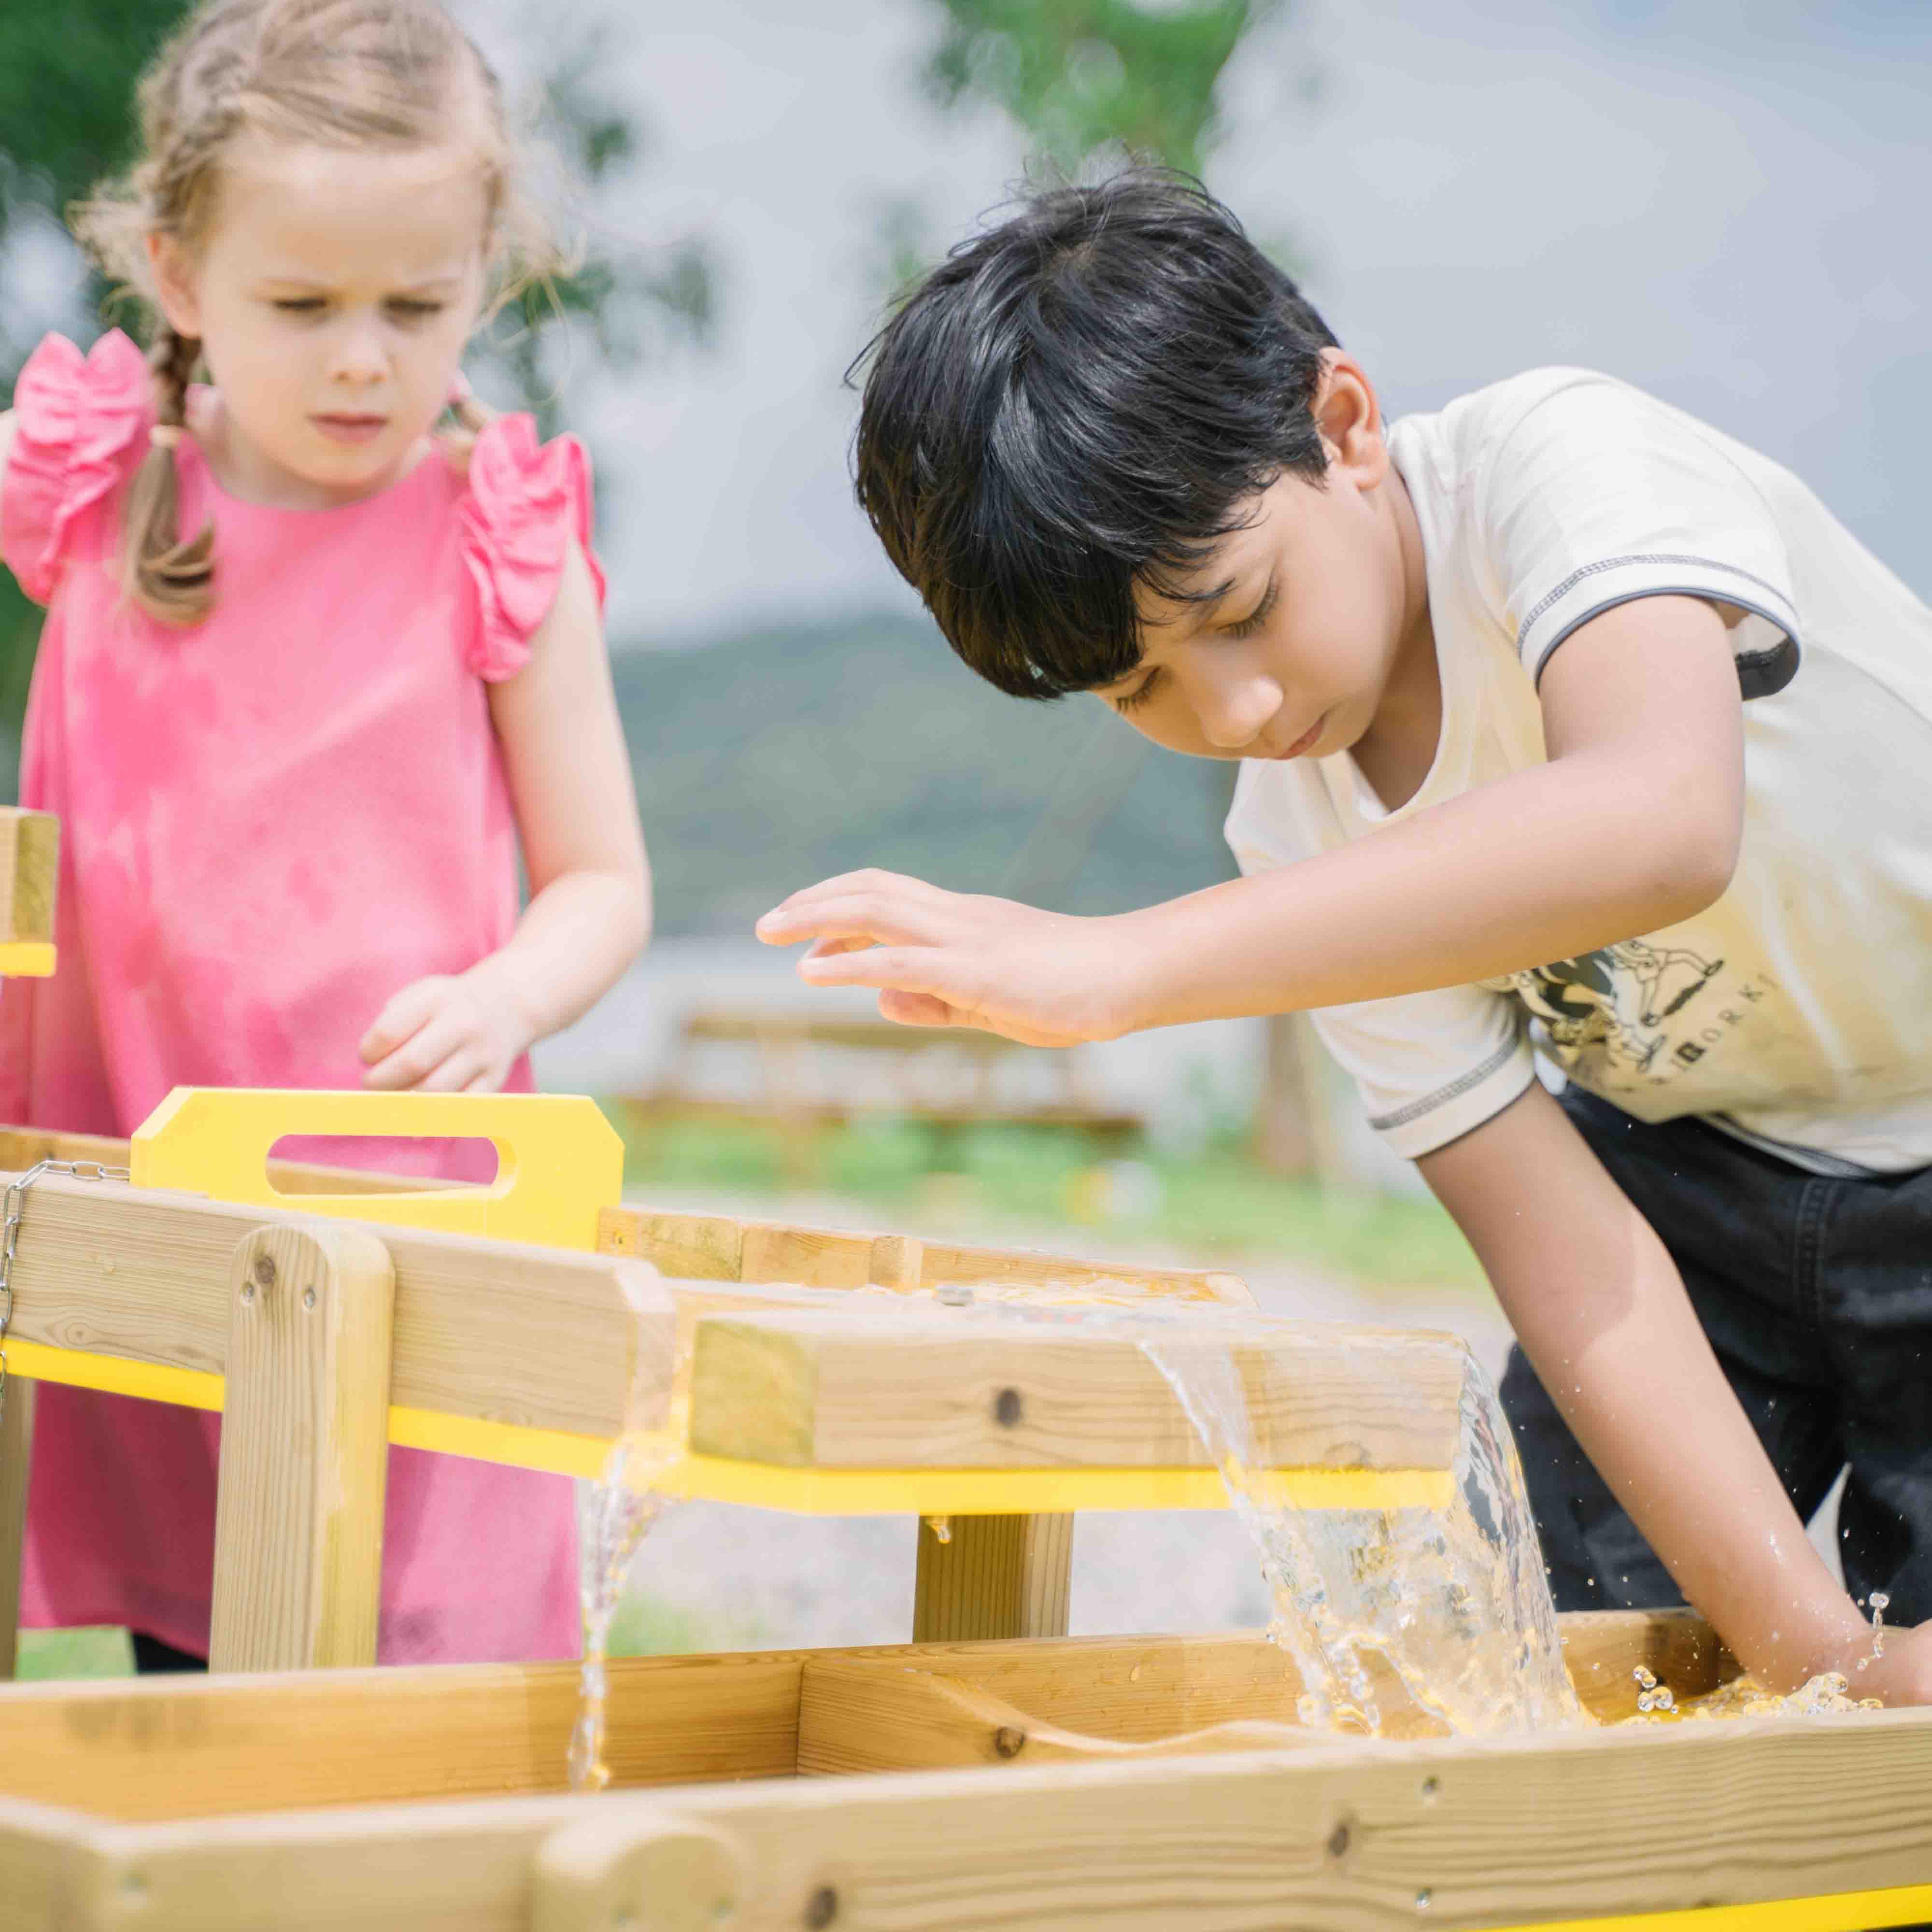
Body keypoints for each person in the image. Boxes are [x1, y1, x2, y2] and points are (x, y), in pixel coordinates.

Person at [758, 170, 1932, 1705]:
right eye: (1142, 692)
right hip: (1692, 1183)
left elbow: (1659, 817)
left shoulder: (1565, 471)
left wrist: (1122, 967)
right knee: (1514, 1672)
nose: (1235, 710)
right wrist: (1817, 1661)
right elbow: (1572, 1269)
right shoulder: (1292, 833)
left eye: (1242, 610)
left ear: (1346, 424)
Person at [0, 0, 650, 1671]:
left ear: (485, 280)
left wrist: (511, 997)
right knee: (208, 1644)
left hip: (412, 1201)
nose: (364, 357)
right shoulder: (92, 496)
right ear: (174, 273)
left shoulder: (491, 532)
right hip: (150, 1191)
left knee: (407, 1654)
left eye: (416, 306)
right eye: (302, 306)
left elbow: (602, 881)